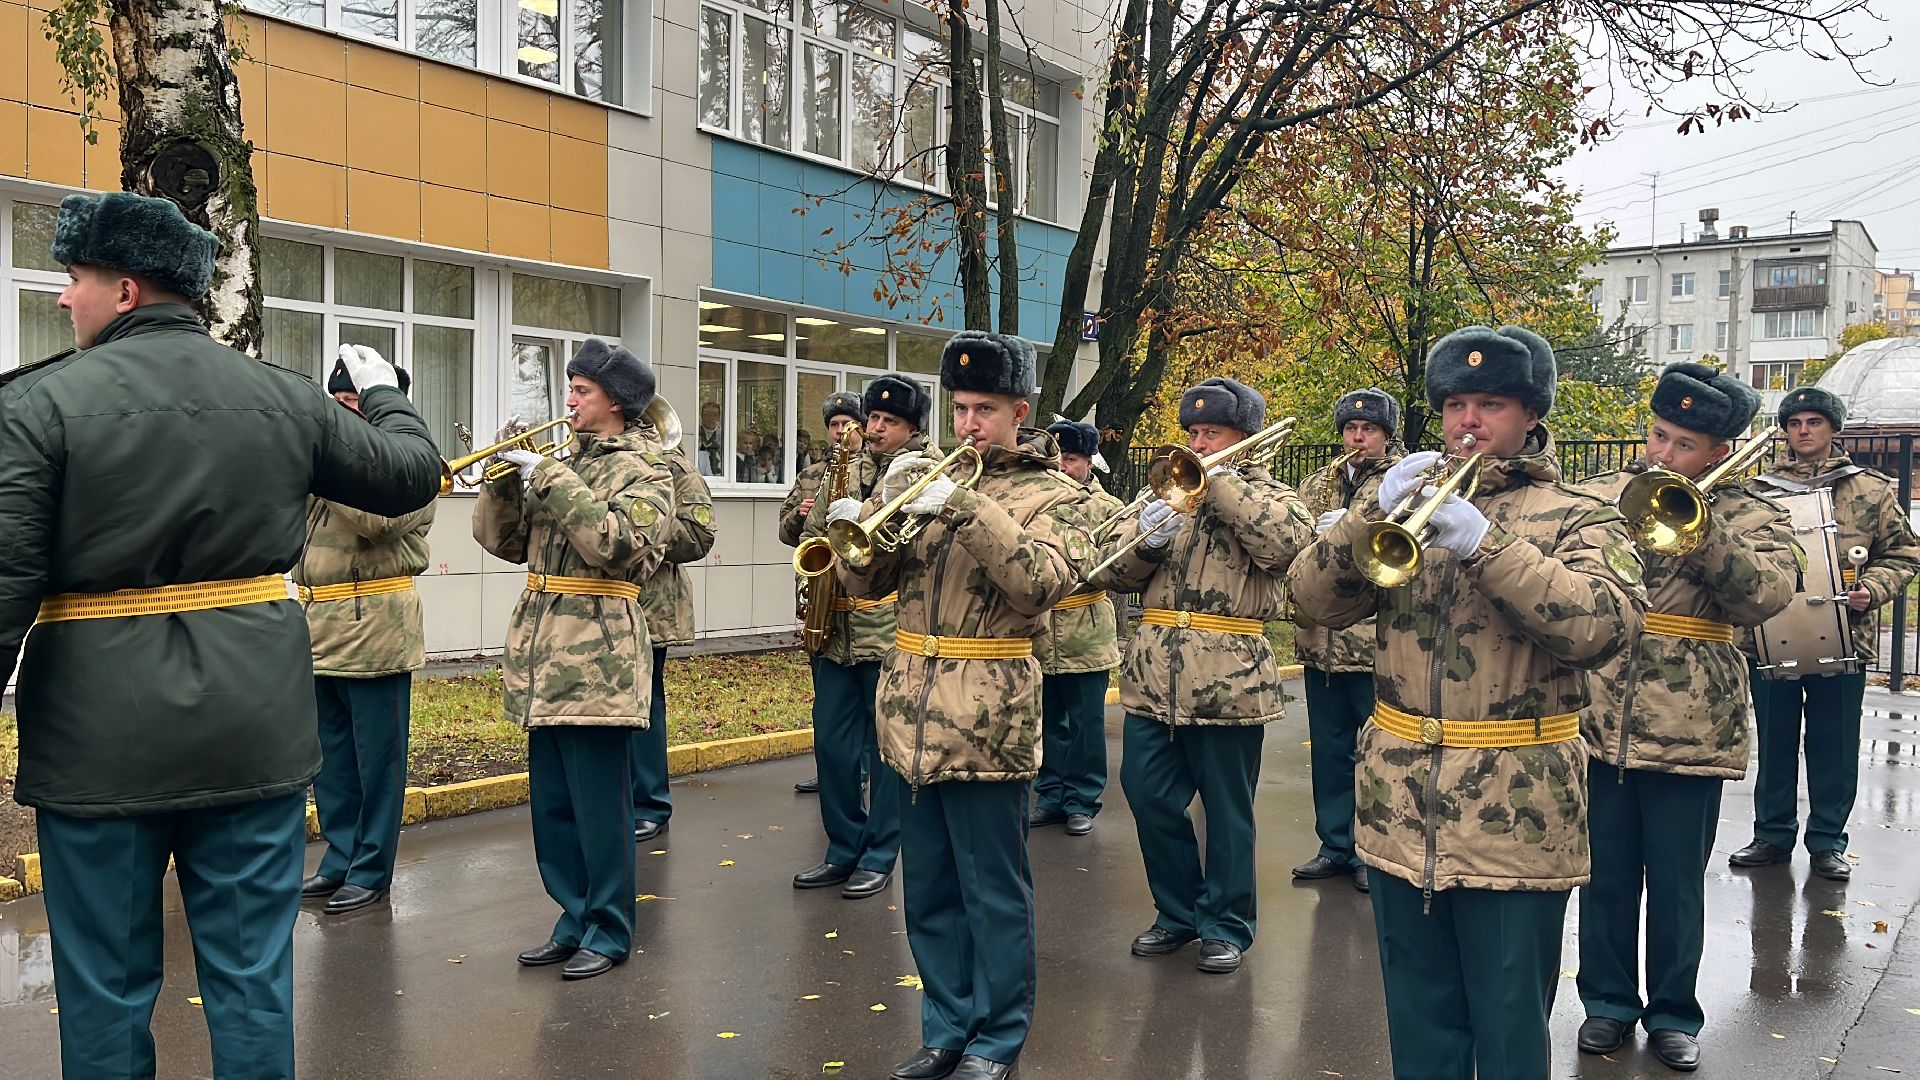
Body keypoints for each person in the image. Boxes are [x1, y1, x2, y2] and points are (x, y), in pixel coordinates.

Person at [0, 191, 442, 1078]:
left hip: (100, 748)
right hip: (252, 737)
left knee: (104, 992)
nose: (61, 300)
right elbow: (407, 473)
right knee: (250, 984)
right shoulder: (281, 398)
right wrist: (389, 394)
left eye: (73, 279)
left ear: (125, 291)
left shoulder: (38, 405)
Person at [1289, 325, 1645, 1080]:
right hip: (1398, 803)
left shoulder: (1579, 515)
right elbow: (1312, 603)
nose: (1467, 422)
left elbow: (1600, 627)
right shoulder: (1406, 506)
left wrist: (1488, 544)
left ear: (1529, 415)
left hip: (1515, 814)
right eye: (1455, 404)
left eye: (1490, 403)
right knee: (1419, 1018)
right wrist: (1366, 517)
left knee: (1509, 1019)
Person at [838, 331, 1091, 1080]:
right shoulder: (923, 479)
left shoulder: (1057, 495)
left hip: (988, 717)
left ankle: (996, 1038)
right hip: (911, 709)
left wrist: (968, 509)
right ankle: (945, 1026)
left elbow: (1043, 584)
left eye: (985, 410)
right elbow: (866, 589)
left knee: (993, 891)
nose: (970, 426)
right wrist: (874, 519)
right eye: (960, 409)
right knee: (931, 891)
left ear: (1020, 412)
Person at [1574, 363, 1798, 1072]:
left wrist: (1694, 532)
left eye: (1683, 446)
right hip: (1599, 712)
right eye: (1658, 437)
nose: (1663, 456)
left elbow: (1765, 595)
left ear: (1720, 453)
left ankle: (1673, 1011)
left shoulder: (1756, 514)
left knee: (1675, 882)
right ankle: (1606, 1004)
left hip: (1693, 724)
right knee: (1604, 876)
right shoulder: (1607, 496)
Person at [1088, 377, 1311, 975]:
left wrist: (1221, 486)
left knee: (1226, 811)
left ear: (1247, 437)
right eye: (1193, 432)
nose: (1199, 442)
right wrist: (1146, 534)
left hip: (1230, 679)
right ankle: (1178, 912)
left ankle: (1228, 924)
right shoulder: (1165, 493)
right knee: (1147, 793)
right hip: (1153, 673)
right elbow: (1106, 567)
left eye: (1212, 432)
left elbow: (1290, 549)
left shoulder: (1276, 498)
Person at [475, 338, 677, 982]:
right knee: (553, 807)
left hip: (600, 657)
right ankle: (573, 915)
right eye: (570, 387)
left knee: (598, 806)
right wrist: (506, 477)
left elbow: (619, 545)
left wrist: (551, 477)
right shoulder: (562, 460)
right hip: (542, 654)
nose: (569, 400)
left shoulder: (646, 470)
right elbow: (501, 542)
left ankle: (611, 927)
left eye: (582, 391)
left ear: (615, 401)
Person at [1731, 385, 1920, 880]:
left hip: (1844, 639)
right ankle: (1771, 835)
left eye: (1813, 422)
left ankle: (1827, 841)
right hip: (1771, 637)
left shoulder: (1869, 489)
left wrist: (1872, 590)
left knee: (1833, 746)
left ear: (1832, 428)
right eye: (1794, 423)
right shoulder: (1760, 490)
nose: (1803, 431)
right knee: (1773, 743)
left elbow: (1903, 553)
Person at [296, 359, 438, 915]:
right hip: (317, 625)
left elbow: (379, 521)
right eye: (339, 402)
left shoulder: (413, 464)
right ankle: (340, 857)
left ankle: (373, 868)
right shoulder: (328, 461)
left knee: (376, 761)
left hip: (376, 623)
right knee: (330, 758)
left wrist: (327, 467)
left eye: (357, 402)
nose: (344, 413)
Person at [792, 378, 929, 897]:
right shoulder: (844, 465)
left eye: (888, 422)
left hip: (887, 629)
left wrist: (865, 520)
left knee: (884, 749)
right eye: (872, 418)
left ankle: (879, 852)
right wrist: (824, 535)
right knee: (832, 747)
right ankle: (842, 848)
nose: (873, 428)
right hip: (835, 627)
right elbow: (811, 535)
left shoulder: (922, 469)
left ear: (912, 428)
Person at [1290, 387, 1405, 894]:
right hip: (1321, 640)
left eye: (1370, 430)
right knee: (1330, 750)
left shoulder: (1406, 483)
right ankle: (1334, 844)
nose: (1358, 438)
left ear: (1387, 435)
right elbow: (1289, 547)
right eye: (1351, 429)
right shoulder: (1319, 482)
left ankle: (1368, 848)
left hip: (1371, 643)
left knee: (1371, 753)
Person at [630, 396, 716, 845]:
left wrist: (643, 531)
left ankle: (650, 804)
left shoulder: (675, 468)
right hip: (605, 606)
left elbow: (701, 534)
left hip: (652, 604)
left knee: (645, 704)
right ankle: (621, 799)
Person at [1030, 420, 1122, 837]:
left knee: (1085, 724)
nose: (1064, 468)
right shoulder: (1036, 500)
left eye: (1072, 459)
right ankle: (1049, 793)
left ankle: (1082, 798)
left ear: (1089, 463)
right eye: (1058, 458)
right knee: (1047, 721)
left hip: (1086, 631)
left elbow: (1116, 569)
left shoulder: (1108, 509)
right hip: (1039, 630)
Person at [697, 400, 725, 476]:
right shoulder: (696, 433)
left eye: (714, 414)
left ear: (719, 417)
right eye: (707, 414)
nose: (711, 418)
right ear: (701, 416)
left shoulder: (723, 436)